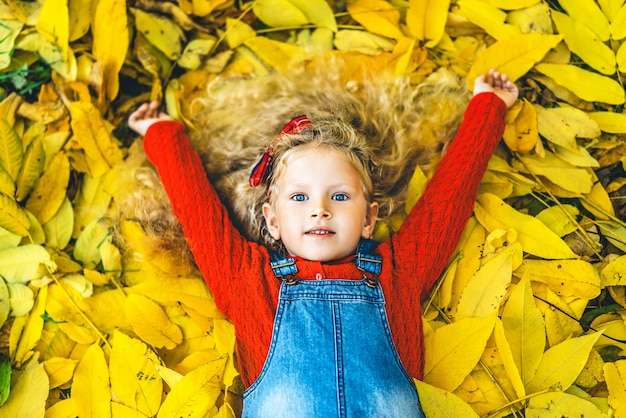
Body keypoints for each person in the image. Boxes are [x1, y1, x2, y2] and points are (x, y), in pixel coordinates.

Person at [128, 68, 518, 417]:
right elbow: (198, 210)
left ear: (369, 219)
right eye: (300, 197)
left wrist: (489, 107)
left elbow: (448, 201)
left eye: (341, 196)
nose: (320, 209)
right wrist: (163, 135)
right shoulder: (247, 280)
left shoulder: (400, 273)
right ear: (272, 220)